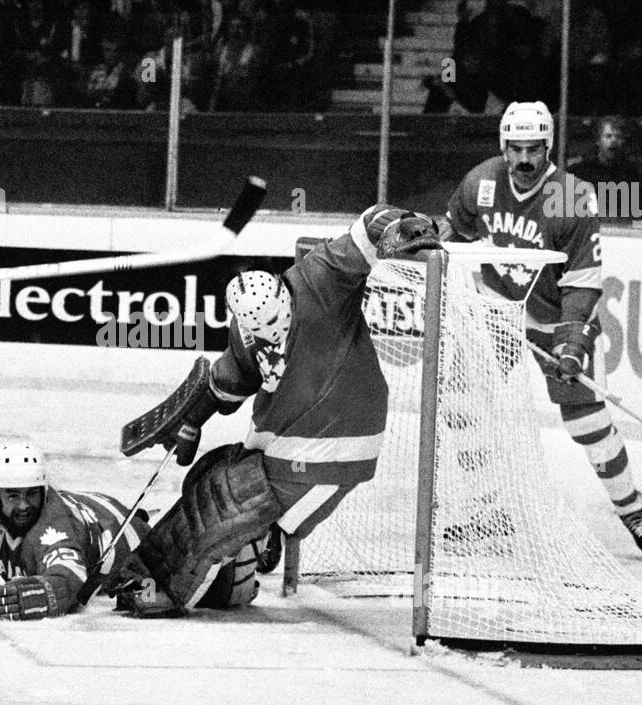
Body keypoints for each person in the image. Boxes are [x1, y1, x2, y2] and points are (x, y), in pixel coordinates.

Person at [106, 204, 443, 615]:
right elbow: (232, 378)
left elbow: (368, 224)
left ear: (283, 295)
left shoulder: (317, 279)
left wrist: (400, 224)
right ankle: (184, 571)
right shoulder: (245, 331)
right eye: (259, 330)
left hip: (340, 435)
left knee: (235, 504)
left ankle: (215, 568)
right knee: (211, 477)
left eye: (276, 321)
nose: (271, 333)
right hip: (282, 437)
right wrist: (192, 419)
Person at [439, 101, 642, 557]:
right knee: (461, 400)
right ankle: (487, 514)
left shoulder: (571, 196)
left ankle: (631, 507)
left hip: (554, 317)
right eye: (516, 149)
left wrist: (571, 342)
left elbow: (582, 280)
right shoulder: (481, 182)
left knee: (586, 422)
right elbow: (453, 232)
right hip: (498, 310)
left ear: (549, 148)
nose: (524, 160)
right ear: (503, 147)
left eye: (534, 149)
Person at [0, 442, 262, 620]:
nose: (22, 506)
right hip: (97, 509)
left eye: (30, 495)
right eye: (12, 496)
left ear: (44, 490)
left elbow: (67, 581)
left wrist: (41, 592)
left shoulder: (52, 524)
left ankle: (263, 542)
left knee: (230, 585)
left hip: (130, 538)